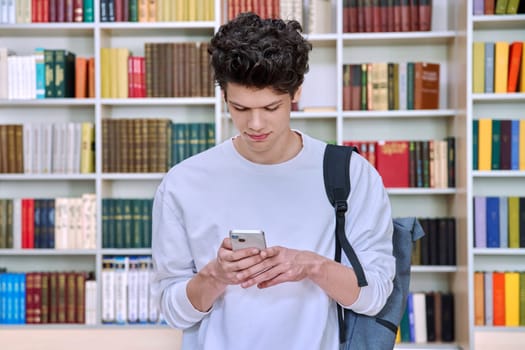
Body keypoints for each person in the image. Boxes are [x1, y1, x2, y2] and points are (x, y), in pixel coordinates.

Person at [151, 12, 395, 350]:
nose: (254, 124)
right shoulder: (183, 183)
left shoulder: (350, 174)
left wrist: (311, 265)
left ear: (295, 92)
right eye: (239, 108)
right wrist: (216, 274)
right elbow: (173, 312)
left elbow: (376, 296)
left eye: (271, 107)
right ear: (224, 97)